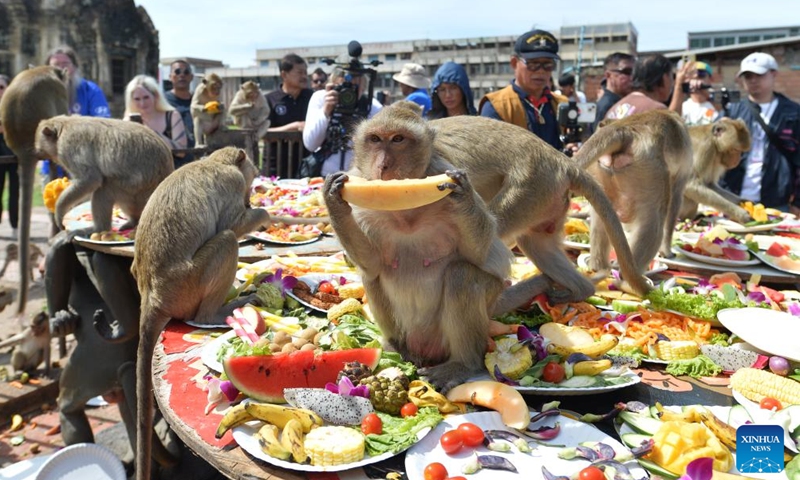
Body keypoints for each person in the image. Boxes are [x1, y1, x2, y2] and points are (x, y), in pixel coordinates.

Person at [720, 52, 800, 213]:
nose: (753, 80)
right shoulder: (731, 112)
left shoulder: (793, 113)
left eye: (759, 75)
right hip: (732, 199)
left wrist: (798, 202)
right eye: (748, 76)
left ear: (774, 74)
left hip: (776, 201)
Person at [479, 29, 567, 151]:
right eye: (533, 64)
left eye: (548, 65)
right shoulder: (496, 105)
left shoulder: (562, 103)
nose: (541, 71)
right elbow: (490, 155)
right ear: (514, 63)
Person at [43, 45, 111, 180]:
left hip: (86, 164)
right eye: (56, 65)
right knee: (53, 199)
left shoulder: (91, 90)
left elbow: (104, 124)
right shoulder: (42, 94)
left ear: (75, 66)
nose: (61, 69)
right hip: (52, 165)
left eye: (65, 64)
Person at [304, 61, 383, 176]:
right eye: (345, 87)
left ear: (364, 84)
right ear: (334, 82)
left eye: (355, 88)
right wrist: (326, 110)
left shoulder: (371, 106)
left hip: (355, 177)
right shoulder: (321, 98)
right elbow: (311, 144)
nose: (349, 94)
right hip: (323, 175)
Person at [605, 53, 695, 120]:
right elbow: (674, 129)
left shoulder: (613, 109)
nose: (672, 83)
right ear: (664, 78)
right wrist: (679, 86)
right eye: (672, 77)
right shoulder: (656, 110)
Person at [266, 54, 313, 177]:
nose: (304, 76)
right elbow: (262, 132)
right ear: (284, 75)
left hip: (306, 165)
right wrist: (295, 126)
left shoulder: (312, 97)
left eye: (305, 72)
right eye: (300, 72)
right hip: (276, 166)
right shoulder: (269, 100)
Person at [123, 75, 188, 165]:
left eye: (146, 97)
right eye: (137, 99)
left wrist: (151, 132)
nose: (142, 103)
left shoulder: (172, 116)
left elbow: (181, 152)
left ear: (156, 96)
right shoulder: (127, 122)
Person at [592, 52, 635, 131]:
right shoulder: (606, 106)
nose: (632, 77)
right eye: (627, 72)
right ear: (608, 75)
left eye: (634, 72)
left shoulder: (622, 102)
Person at [164, 59, 195, 166]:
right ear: (170, 76)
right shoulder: (162, 102)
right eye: (177, 72)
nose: (182, 75)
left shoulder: (199, 101)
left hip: (199, 158)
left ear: (191, 77)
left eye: (186, 72)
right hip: (172, 162)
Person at [0, 74, 18, 239]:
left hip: (14, 155)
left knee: (15, 193)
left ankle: (15, 226)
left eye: (1, 87)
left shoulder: (15, 107)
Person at [681, 61, 719, 126]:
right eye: (692, 76)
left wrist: (705, 92)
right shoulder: (683, 106)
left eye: (701, 74)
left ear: (710, 79)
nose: (696, 79)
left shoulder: (716, 105)